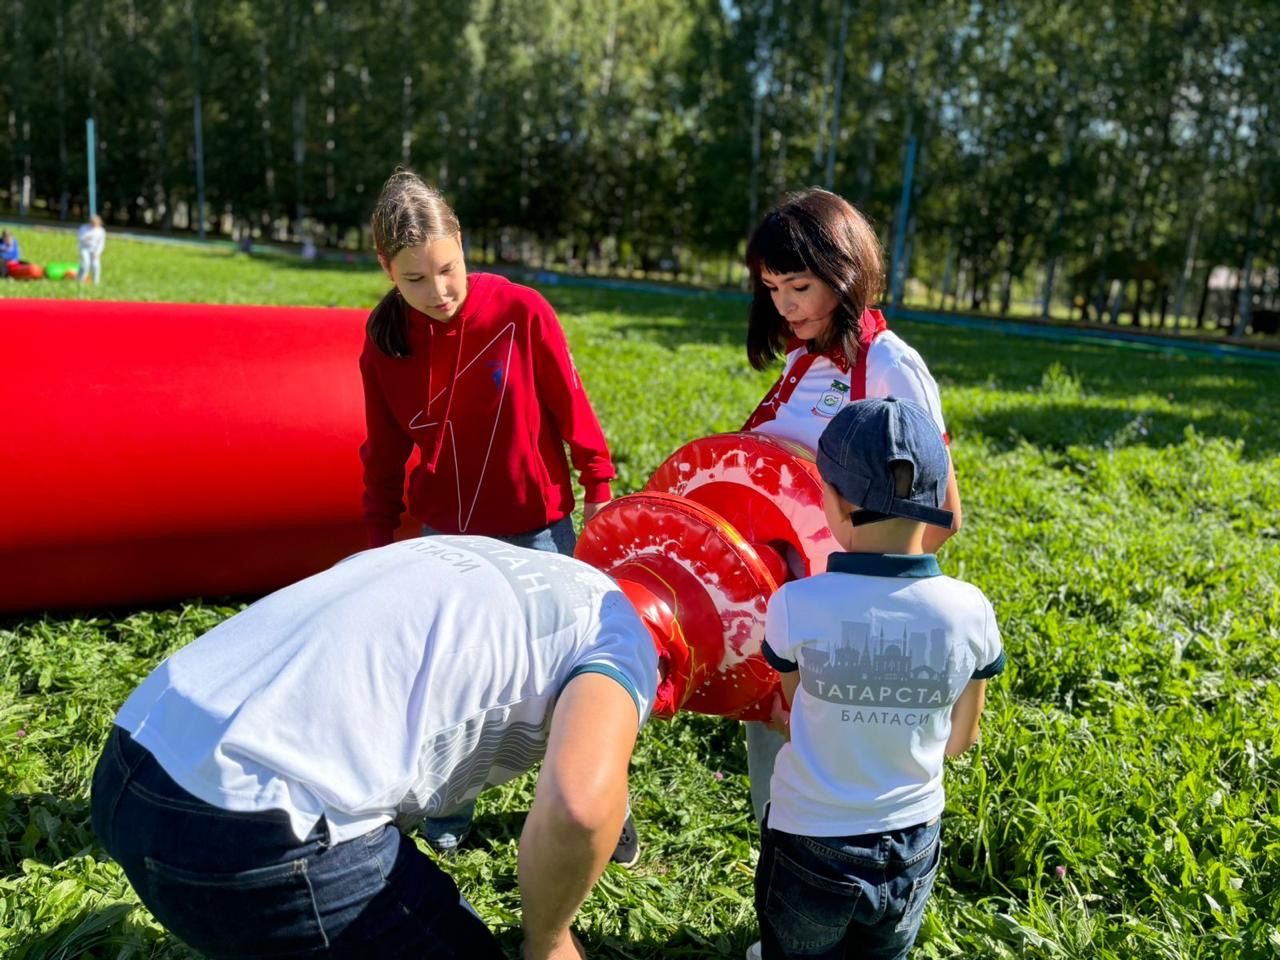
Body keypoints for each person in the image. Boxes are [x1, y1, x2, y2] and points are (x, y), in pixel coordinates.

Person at [91, 535, 664, 960]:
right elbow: (579, 806)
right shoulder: (625, 635)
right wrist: (549, 940)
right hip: (252, 832)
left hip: (132, 756)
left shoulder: (483, 553)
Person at [361, 170, 626, 858]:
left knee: (576, 678)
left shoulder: (520, 310)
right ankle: (449, 809)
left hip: (538, 528)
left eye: (448, 270)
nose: (439, 292)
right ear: (387, 269)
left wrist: (599, 481)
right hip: (444, 538)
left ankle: (601, 809)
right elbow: (384, 449)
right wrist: (377, 536)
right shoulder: (384, 341)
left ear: (463, 246)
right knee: (452, 680)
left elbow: (570, 401)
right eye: (415, 279)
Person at [750, 398, 1006, 960]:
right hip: (913, 837)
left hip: (809, 840)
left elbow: (797, 715)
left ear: (836, 503)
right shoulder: (971, 610)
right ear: (939, 498)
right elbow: (962, 738)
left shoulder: (795, 604)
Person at [740, 188, 964, 829]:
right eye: (772, 287)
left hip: (850, 621)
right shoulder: (800, 360)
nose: (784, 304)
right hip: (787, 603)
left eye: (800, 286)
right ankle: (781, 873)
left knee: (840, 774)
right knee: (777, 752)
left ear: (845, 274)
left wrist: (867, 604)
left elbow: (943, 509)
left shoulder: (890, 364)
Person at [78, 214, 106, 284]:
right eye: (92, 222)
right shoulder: (84, 228)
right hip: (84, 248)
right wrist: (88, 238)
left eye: (96, 223)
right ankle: (81, 280)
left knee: (95, 265)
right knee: (86, 264)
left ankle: (96, 282)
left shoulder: (101, 231)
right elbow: (80, 238)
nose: (94, 224)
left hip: (94, 250)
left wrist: (98, 253)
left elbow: (101, 243)